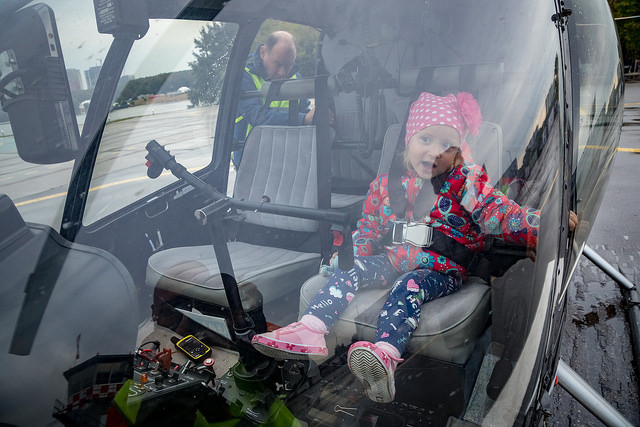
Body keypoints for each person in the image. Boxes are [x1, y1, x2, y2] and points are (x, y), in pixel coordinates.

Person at [251, 91, 545, 403]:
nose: (435, 151)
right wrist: (350, 258)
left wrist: (539, 225)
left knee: (409, 284)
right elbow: (368, 230)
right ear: (409, 142)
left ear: (458, 152)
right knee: (352, 268)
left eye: (447, 144)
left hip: (439, 270)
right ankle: (310, 330)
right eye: (426, 139)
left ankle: (385, 357)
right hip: (393, 260)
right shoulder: (384, 187)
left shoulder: (464, 181)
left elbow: (497, 213)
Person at [232, 31, 315, 167]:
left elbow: (304, 111)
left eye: (288, 65)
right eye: (277, 64)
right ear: (263, 52)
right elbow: (256, 116)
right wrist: (303, 119)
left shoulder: (295, 76)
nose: (283, 72)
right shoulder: (243, 76)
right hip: (251, 161)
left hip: (286, 159)